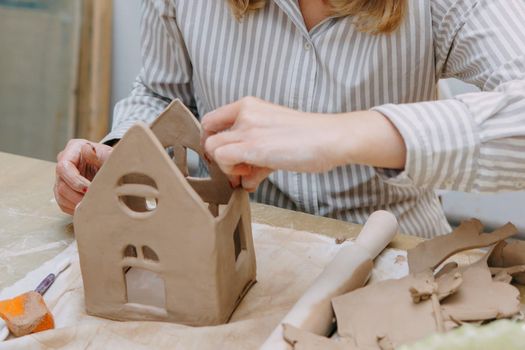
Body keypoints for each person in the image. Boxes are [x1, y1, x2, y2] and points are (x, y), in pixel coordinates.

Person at [54, 0, 525, 237]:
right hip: (243, 246)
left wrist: (340, 134)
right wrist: (120, 159)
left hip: (396, 255)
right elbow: (161, 94)